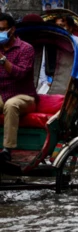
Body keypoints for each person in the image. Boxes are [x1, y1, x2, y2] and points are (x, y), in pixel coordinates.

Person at [0, 13, 37, 162]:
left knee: (11, 105)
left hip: (24, 96)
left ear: (12, 30)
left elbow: (20, 74)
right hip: (2, 93)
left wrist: (3, 60)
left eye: (2, 29)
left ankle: (7, 149)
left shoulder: (26, 49)